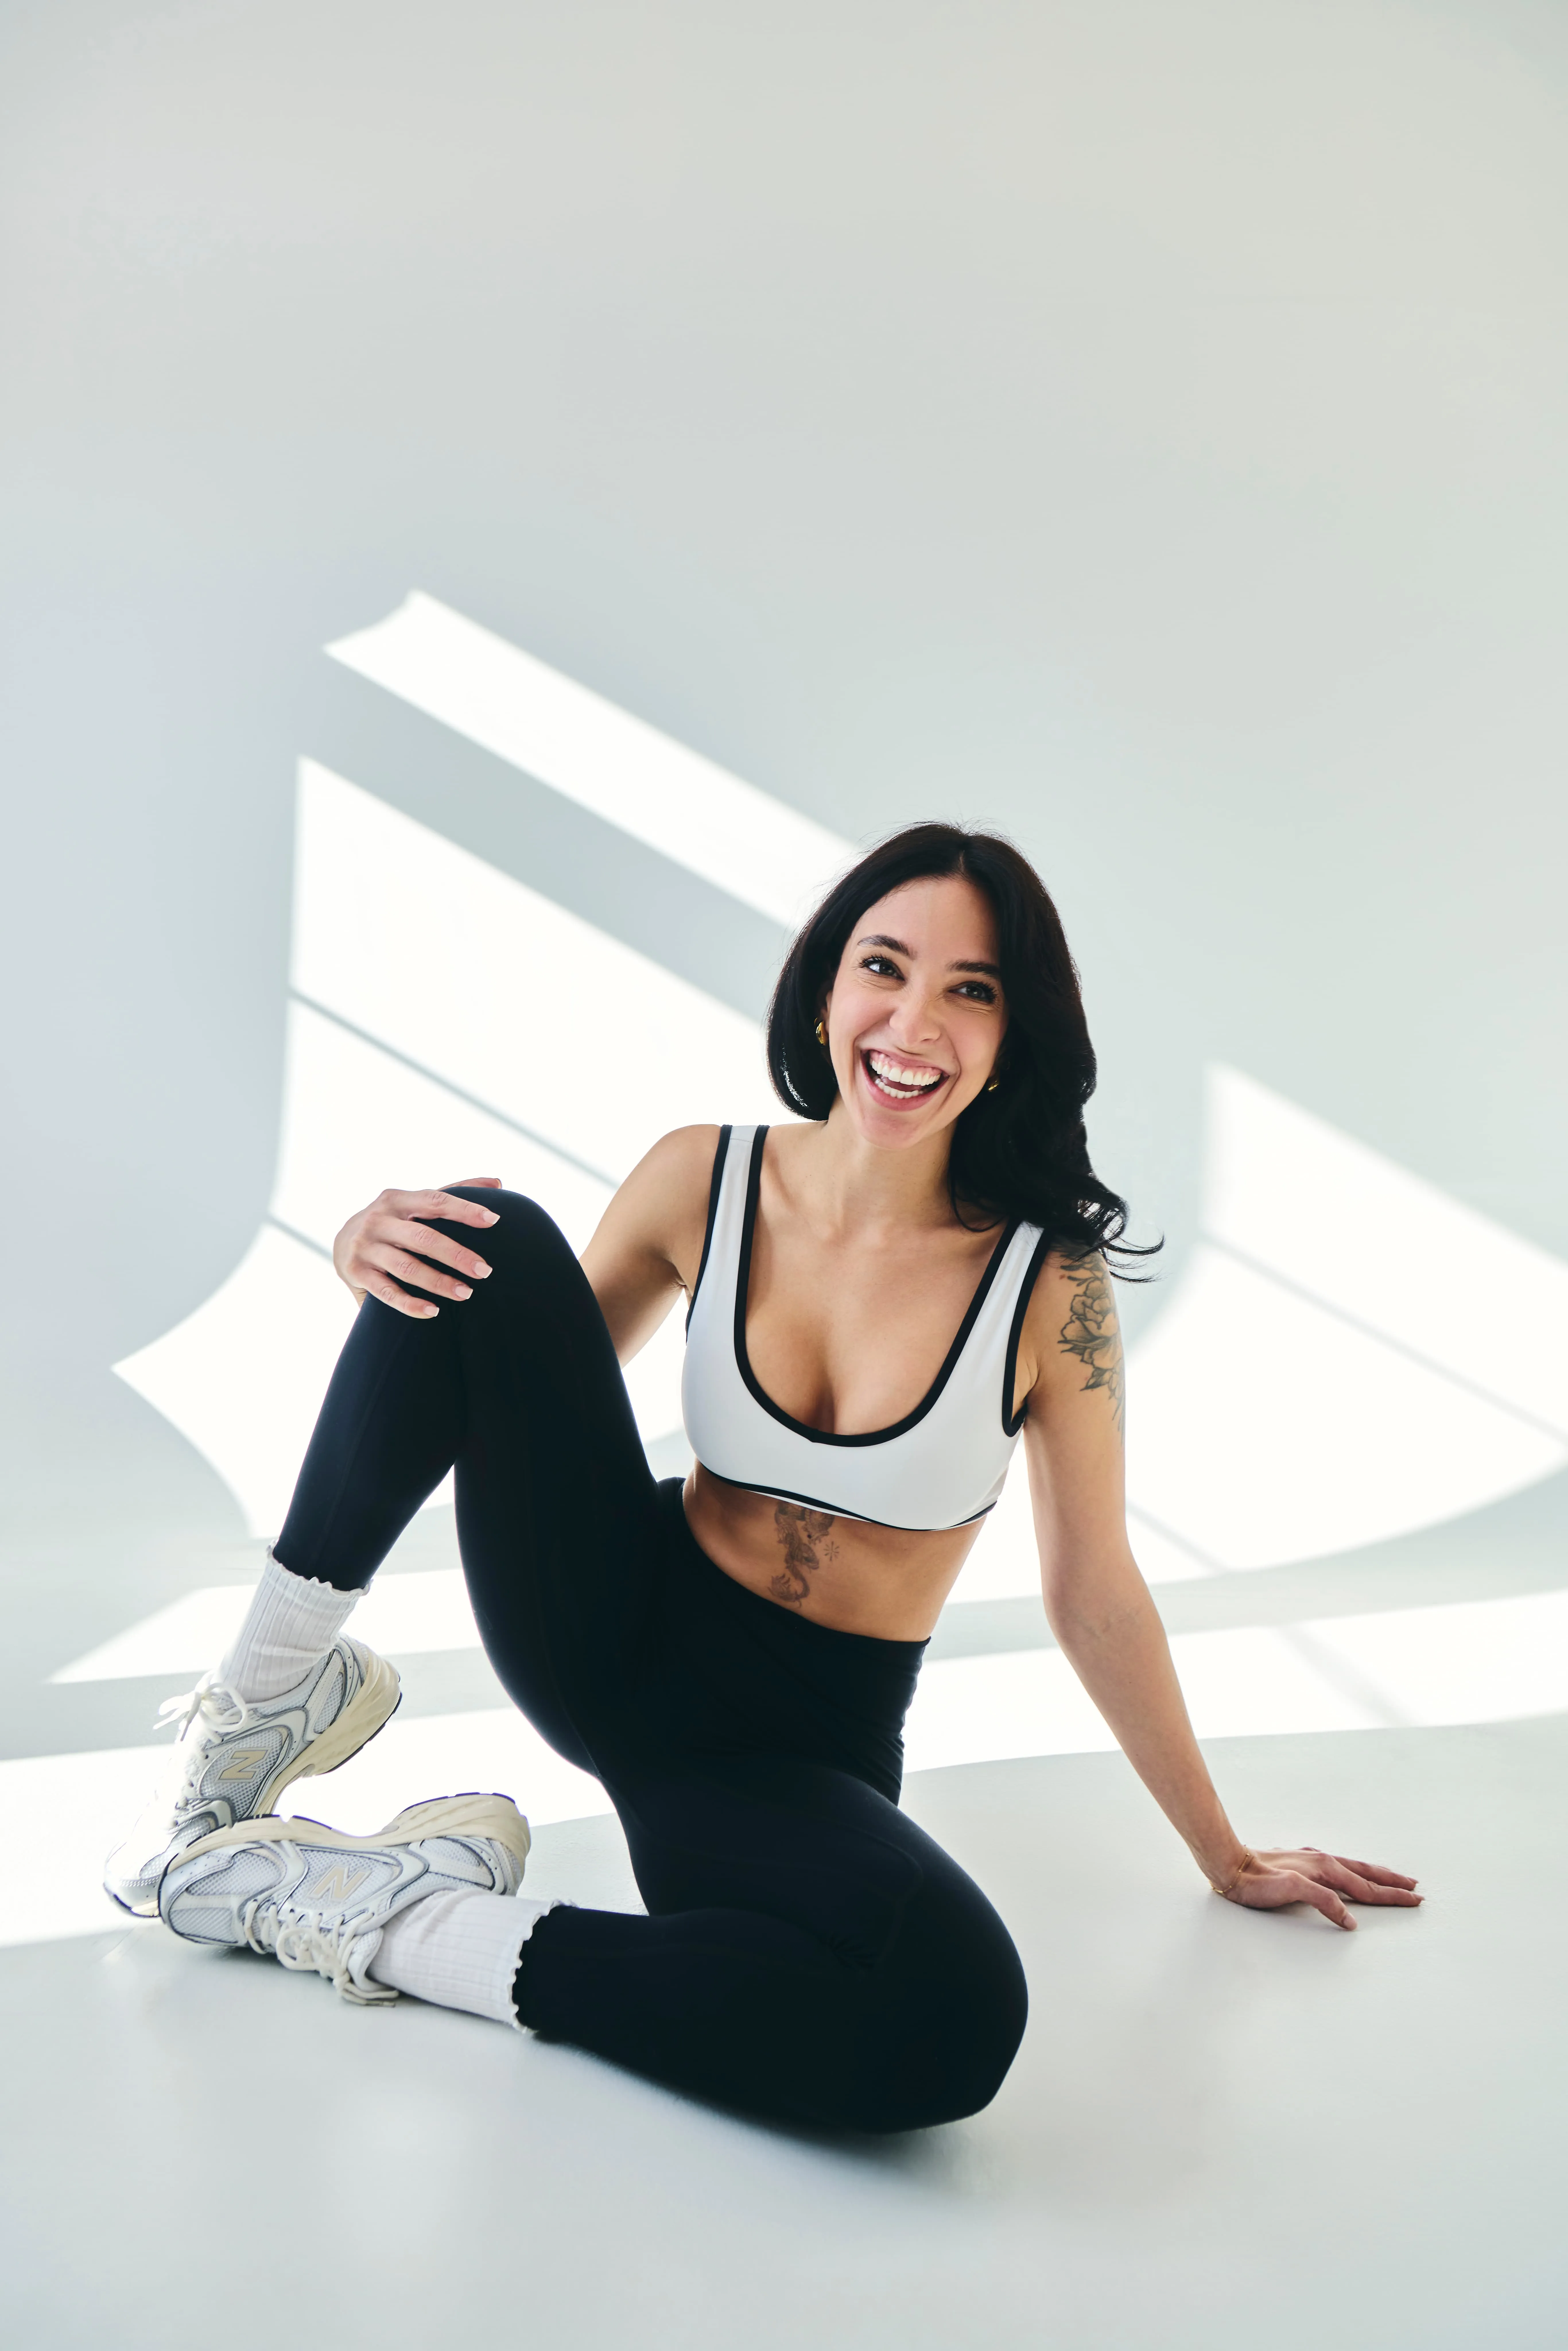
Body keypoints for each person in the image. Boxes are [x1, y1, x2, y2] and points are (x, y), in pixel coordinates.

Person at [104, 822, 1420, 2132]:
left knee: (951, 2017)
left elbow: (1093, 1592)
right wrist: (360, 1248)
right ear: (826, 985)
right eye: (884, 966)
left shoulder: (1046, 1286)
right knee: (480, 1240)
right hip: (607, 1627)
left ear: (1018, 1034)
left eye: (972, 989)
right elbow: (511, 1366)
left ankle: (392, 1915)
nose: (913, 1021)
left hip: (784, 1757)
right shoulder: (705, 1175)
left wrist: (1222, 1848)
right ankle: (267, 1704)